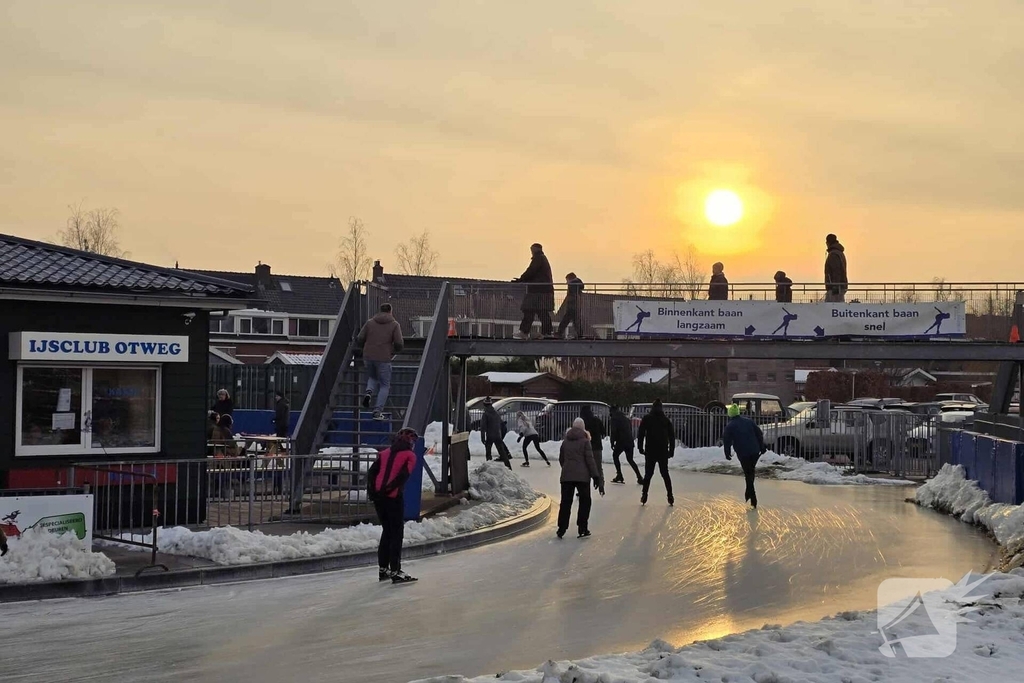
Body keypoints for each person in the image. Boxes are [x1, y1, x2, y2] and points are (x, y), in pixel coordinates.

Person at [368, 427, 420, 584]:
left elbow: (372, 473)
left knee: (387, 531)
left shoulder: (384, 453)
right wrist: (389, 489)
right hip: (393, 497)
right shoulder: (410, 456)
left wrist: (373, 492)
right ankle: (395, 570)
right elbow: (402, 476)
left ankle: (383, 569)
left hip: (378, 498)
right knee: (397, 533)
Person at [357, 303, 405, 419]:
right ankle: (377, 411)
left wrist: (364, 348)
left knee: (372, 377)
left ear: (380, 311)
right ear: (390, 311)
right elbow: (399, 343)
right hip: (383, 358)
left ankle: (368, 392)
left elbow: (360, 338)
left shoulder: (369, 323)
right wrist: (393, 350)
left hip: (368, 356)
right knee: (384, 385)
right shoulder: (394, 325)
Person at [557, 417, 601, 539]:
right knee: (585, 501)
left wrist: (567, 468)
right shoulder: (585, 441)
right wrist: (595, 476)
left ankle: (561, 528)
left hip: (566, 477)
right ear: (583, 428)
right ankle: (582, 527)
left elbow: (561, 459)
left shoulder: (565, 441)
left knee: (565, 502)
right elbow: (590, 460)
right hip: (583, 477)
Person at [722, 403, 767, 508]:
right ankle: (749, 493)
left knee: (748, 473)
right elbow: (759, 434)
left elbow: (726, 441)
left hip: (743, 453)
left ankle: (752, 497)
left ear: (730, 414)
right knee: (751, 471)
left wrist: (727, 453)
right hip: (755, 451)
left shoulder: (730, 426)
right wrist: (762, 446)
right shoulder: (749, 421)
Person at [637, 398, 675, 506]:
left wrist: (640, 447)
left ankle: (644, 495)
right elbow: (672, 436)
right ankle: (670, 495)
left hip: (650, 450)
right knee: (665, 473)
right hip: (663, 450)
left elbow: (641, 433)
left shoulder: (647, 419)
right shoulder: (666, 420)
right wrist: (671, 450)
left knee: (648, 474)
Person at [513, 243, 555, 340]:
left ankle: (524, 332)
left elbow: (531, 271)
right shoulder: (542, 259)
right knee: (542, 312)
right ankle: (547, 332)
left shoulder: (538, 258)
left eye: (532, 249)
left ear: (535, 249)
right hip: (543, 290)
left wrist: (521, 279)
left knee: (529, 310)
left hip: (537, 291)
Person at [609, 405, 642, 485]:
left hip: (621, 441)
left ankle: (619, 475)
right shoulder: (626, 418)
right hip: (629, 441)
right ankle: (639, 477)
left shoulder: (614, 419)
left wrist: (612, 442)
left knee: (615, 456)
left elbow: (613, 431)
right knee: (630, 459)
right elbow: (630, 429)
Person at [579, 404, 606, 494]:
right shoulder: (596, 420)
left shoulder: (582, 422)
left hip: (585, 448)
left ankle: (583, 488)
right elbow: (603, 432)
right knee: (598, 467)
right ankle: (601, 485)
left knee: (585, 468)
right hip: (597, 447)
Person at [480, 398, 512, 469]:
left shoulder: (485, 414)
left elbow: (483, 427)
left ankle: (489, 467)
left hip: (490, 436)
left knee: (488, 452)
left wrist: (482, 438)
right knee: (502, 452)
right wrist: (501, 435)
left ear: (484, 405)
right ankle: (509, 467)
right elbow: (502, 424)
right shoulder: (496, 413)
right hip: (497, 435)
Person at [556, 272, 585, 339]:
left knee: (566, 320)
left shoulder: (572, 285)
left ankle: (559, 333)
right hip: (576, 305)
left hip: (571, 305)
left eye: (567, 280)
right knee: (576, 321)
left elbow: (571, 295)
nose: (567, 282)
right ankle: (579, 334)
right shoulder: (578, 285)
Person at [824, 233, 849, 303]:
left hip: (835, 288)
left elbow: (836, 271)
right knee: (839, 305)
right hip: (840, 286)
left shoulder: (833, 254)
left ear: (828, 242)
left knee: (831, 306)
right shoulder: (839, 253)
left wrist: (835, 286)